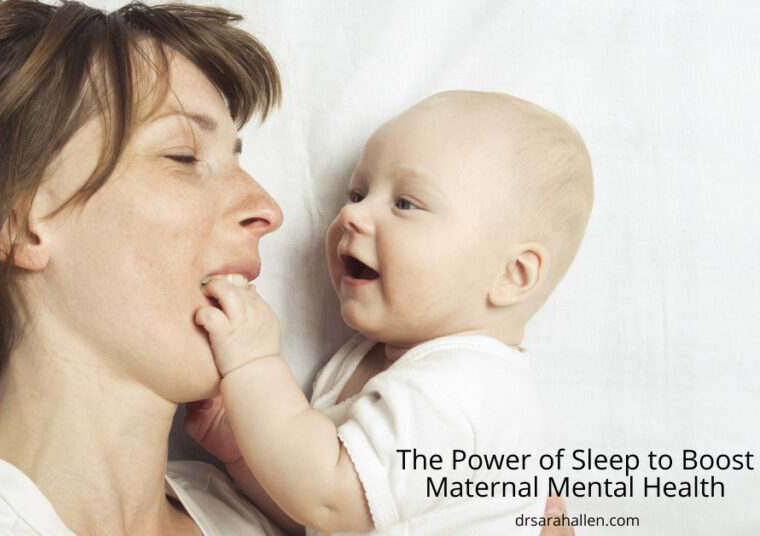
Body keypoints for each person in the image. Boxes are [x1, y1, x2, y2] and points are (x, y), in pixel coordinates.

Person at [0, 1, 578, 534]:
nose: (271, 209)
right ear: (23, 221)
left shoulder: (246, 509)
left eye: (242, 159)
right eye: (183, 157)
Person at [188, 90, 593, 535]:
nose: (351, 214)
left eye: (405, 203)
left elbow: (328, 498)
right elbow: (324, 519)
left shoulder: (464, 388)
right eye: (358, 193)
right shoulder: (373, 358)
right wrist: (243, 450)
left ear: (512, 275)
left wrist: (253, 362)